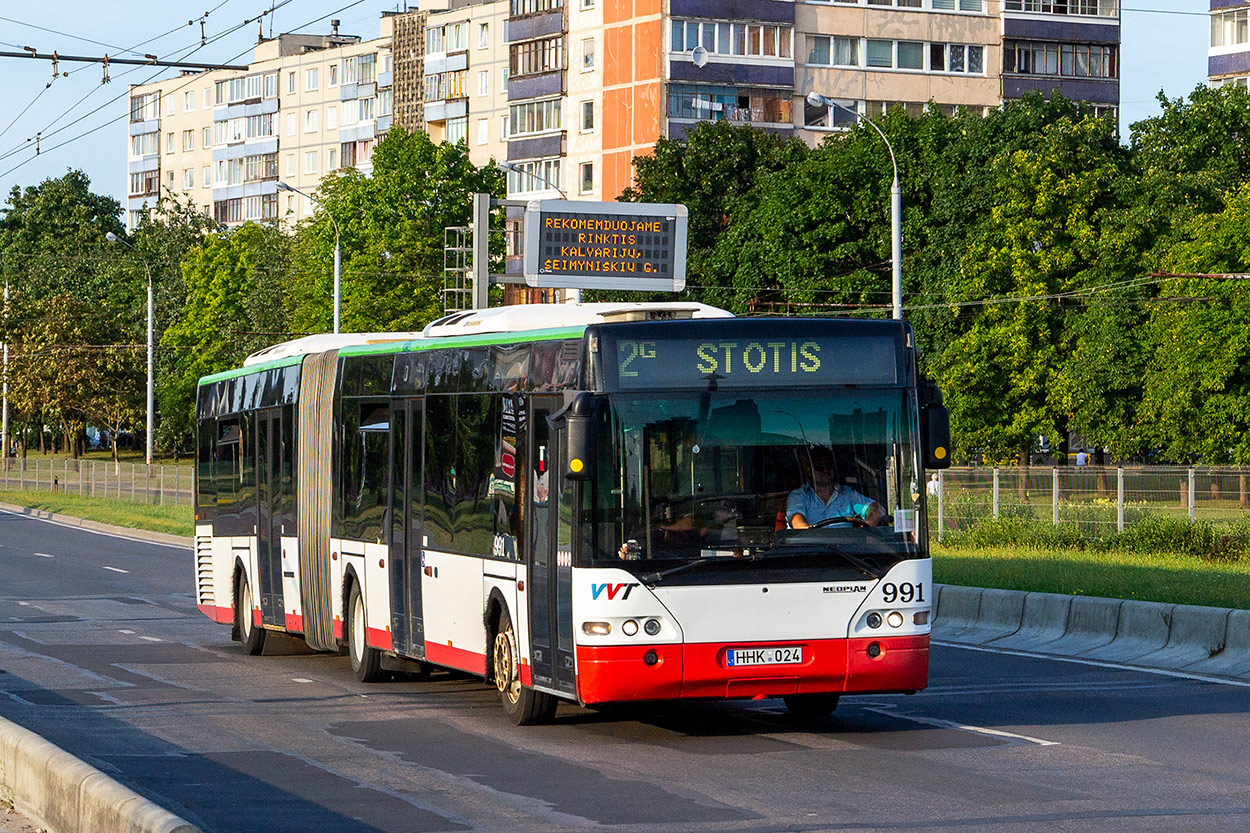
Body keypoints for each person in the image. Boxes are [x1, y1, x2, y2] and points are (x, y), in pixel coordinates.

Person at [786, 448, 884, 528]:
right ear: (808, 471)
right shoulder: (799, 496)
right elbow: (796, 520)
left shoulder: (847, 494)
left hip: (846, 550)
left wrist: (869, 525)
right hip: (812, 549)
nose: (825, 470)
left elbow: (876, 508)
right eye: (819, 467)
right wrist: (805, 529)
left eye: (829, 466)